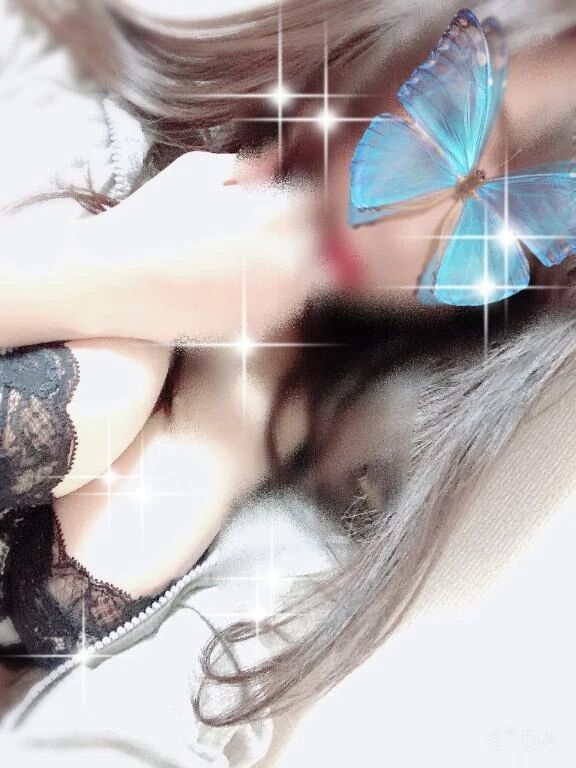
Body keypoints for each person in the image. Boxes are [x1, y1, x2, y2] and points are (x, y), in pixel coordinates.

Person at [0, 0, 575, 764]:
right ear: (402, 43)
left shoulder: (306, 533)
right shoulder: (72, 96)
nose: (404, 227)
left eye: (494, 224)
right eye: (435, 124)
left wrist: (227, 422)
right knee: (111, 382)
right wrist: (110, 275)